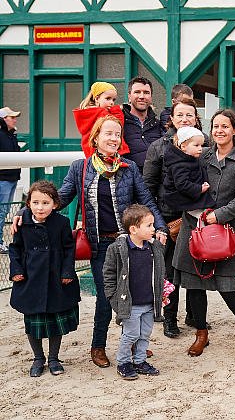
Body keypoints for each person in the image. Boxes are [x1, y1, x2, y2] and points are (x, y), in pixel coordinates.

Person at [57, 115, 166, 368]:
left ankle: (133, 343)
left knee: (135, 295)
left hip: (129, 244)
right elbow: (60, 198)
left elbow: (146, 200)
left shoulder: (129, 168)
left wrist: (159, 226)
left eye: (118, 134)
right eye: (108, 133)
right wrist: (29, 210)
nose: (114, 138)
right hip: (99, 245)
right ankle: (98, 345)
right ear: (95, 137)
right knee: (106, 298)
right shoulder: (80, 168)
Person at [172, 108, 235, 356]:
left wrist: (217, 216)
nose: (219, 131)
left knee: (227, 285)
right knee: (194, 285)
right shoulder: (201, 154)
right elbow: (183, 182)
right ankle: (201, 333)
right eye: (216, 126)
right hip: (194, 227)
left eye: (225, 126)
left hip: (226, 230)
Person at [143, 99, 204, 338]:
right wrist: (157, 221)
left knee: (197, 267)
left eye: (189, 115)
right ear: (172, 118)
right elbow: (149, 185)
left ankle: (194, 315)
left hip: (195, 215)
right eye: (180, 115)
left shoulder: (202, 144)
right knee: (170, 270)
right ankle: (170, 318)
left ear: (196, 118)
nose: (185, 119)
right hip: (168, 217)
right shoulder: (159, 147)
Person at [9, 181, 80, 377]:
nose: (40, 207)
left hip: (56, 279)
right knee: (33, 322)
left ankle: (54, 358)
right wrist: (16, 271)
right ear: (28, 204)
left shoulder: (61, 223)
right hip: (30, 279)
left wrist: (67, 273)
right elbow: (15, 248)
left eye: (46, 203)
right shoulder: (22, 223)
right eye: (36, 202)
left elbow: (69, 249)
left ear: (55, 204)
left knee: (56, 320)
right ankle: (38, 358)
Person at [103, 204, 165, 380]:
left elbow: (159, 271)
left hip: (149, 302)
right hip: (130, 304)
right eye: (149, 225)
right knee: (131, 334)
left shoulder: (153, 247)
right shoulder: (117, 248)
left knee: (145, 334)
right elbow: (108, 274)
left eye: (153, 225)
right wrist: (112, 297)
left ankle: (139, 361)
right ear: (133, 229)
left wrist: (161, 291)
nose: (153, 229)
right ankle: (123, 362)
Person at [162, 126, 213, 212]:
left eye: (201, 145)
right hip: (180, 201)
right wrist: (199, 189)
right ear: (183, 146)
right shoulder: (179, 165)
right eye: (196, 145)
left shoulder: (189, 159)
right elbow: (182, 184)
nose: (200, 149)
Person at [73, 81, 129, 157]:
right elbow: (118, 124)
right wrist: (117, 109)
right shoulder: (103, 114)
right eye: (108, 98)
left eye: (113, 100)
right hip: (106, 154)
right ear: (97, 98)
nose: (112, 103)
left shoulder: (86, 113)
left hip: (92, 154)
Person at [122, 76, 163, 171]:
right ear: (129, 96)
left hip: (155, 178)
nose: (142, 96)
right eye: (137, 92)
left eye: (146, 93)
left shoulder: (158, 125)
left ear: (151, 97)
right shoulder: (119, 123)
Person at [0, 106, 21, 254]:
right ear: (3, 119)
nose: (15, 120)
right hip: (3, 179)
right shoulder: (2, 135)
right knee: (1, 211)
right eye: (11, 117)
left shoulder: (11, 135)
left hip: (12, 178)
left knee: (5, 210)